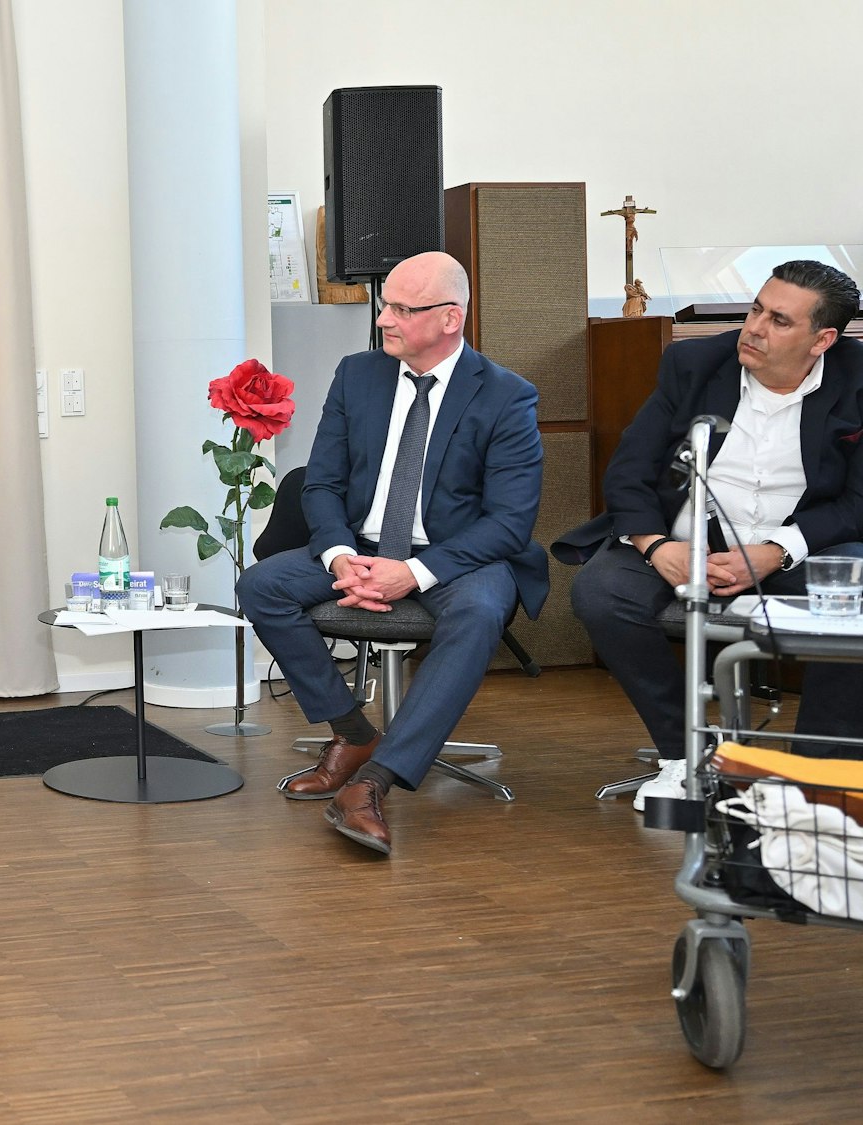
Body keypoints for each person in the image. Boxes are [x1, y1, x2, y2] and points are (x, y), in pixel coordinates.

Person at [236, 251, 546, 855]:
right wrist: (339, 557)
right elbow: (320, 483)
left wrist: (414, 572)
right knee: (262, 586)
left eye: (403, 308)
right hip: (362, 544)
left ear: (450, 319)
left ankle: (371, 785)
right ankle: (353, 733)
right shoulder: (358, 375)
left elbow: (510, 523)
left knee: (480, 612)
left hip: (459, 558)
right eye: (387, 305)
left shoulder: (507, 396)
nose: (384, 319)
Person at [562, 261, 863, 806]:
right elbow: (629, 470)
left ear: (823, 339)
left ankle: (818, 778)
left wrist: (776, 551)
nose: (754, 328)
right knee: (601, 593)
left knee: (856, 598)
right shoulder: (695, 362)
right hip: (683, 542)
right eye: (755, 309)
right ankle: (686, 754)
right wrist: (657, 548)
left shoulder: (858, 379)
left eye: (779, 320)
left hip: (794, 548)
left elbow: (857, 501)